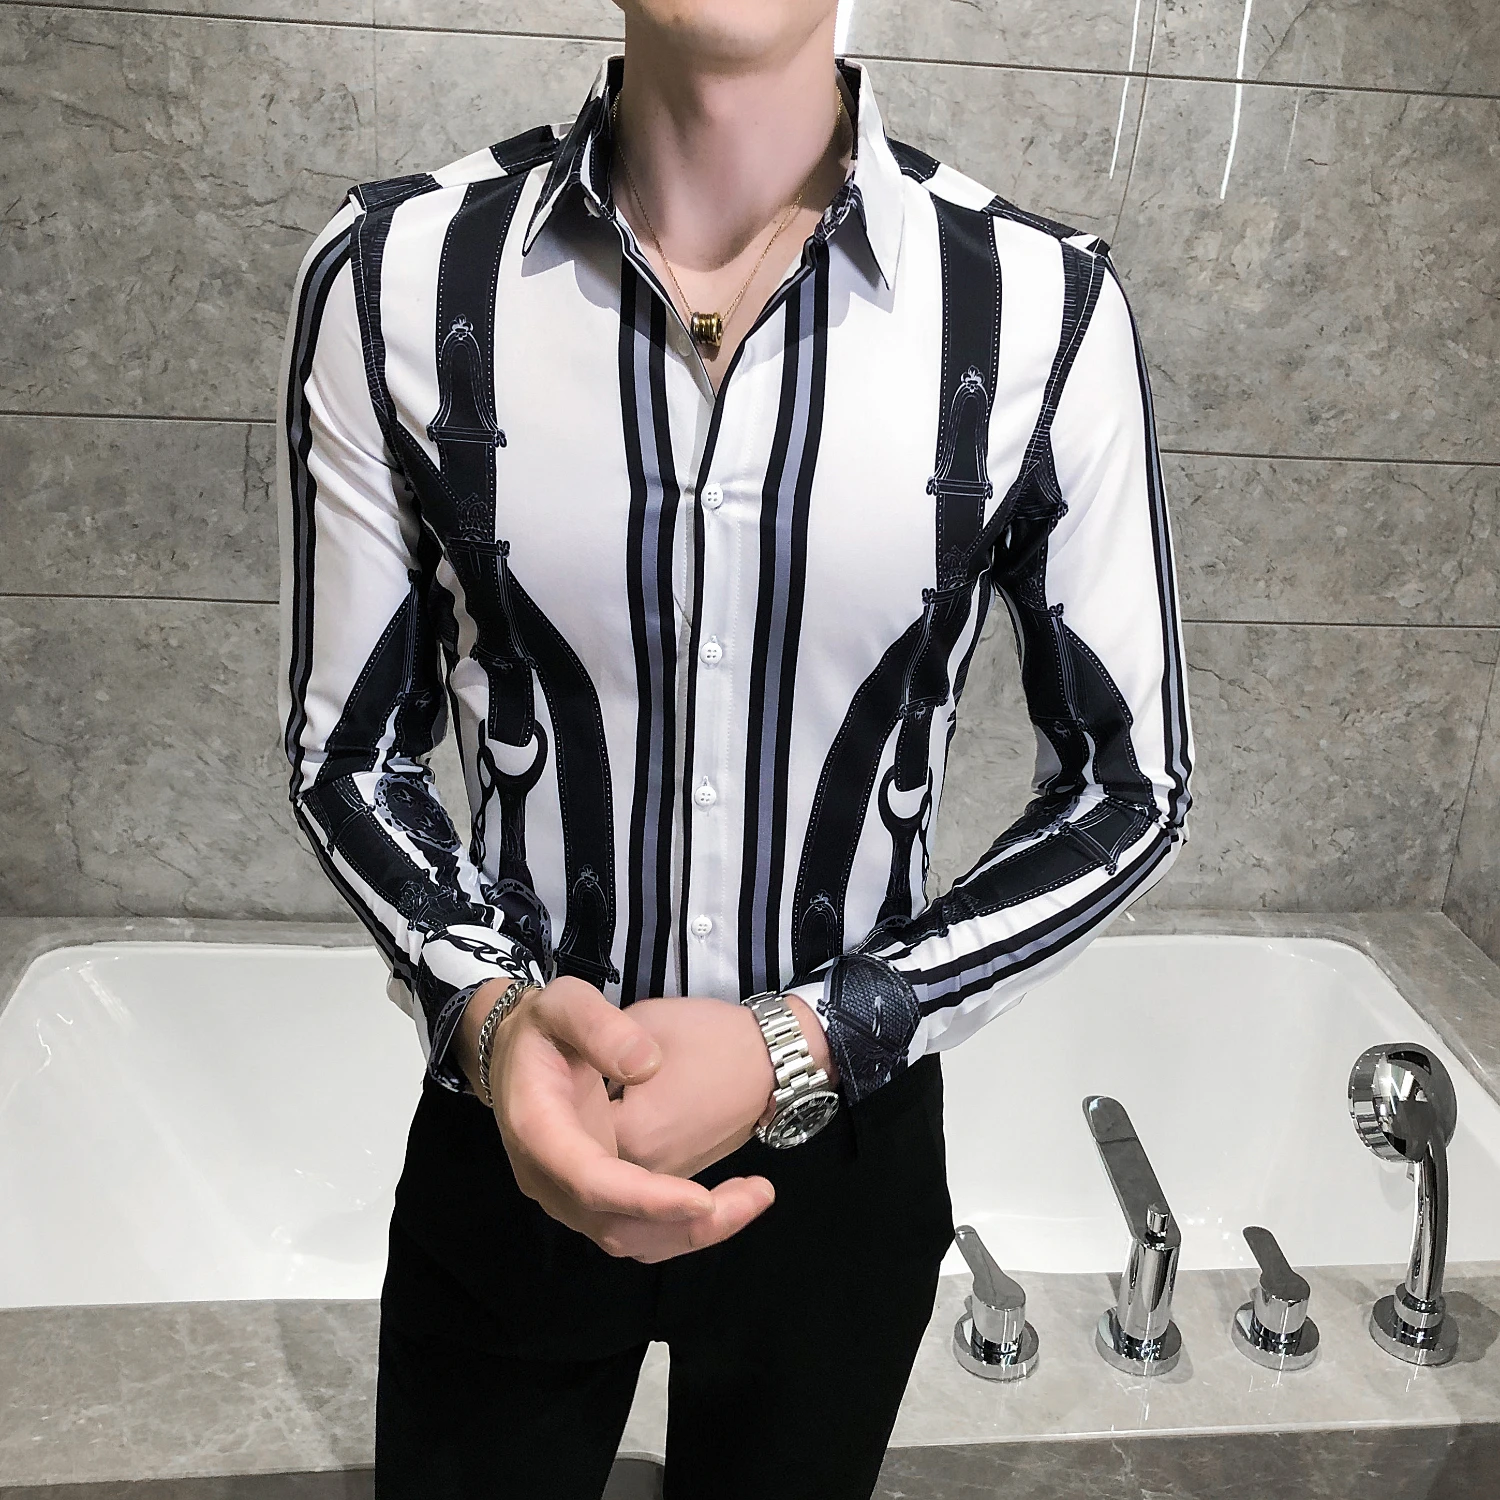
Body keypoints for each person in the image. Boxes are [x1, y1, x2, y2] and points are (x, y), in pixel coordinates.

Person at [274, 1, 1194, 1494]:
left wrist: (811, 1039)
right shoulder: (392, 272)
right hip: (510, 1128)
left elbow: (1130, 780)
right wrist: (496, 1022)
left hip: (847, 1159)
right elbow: (350, 755)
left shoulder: (1046, 306)